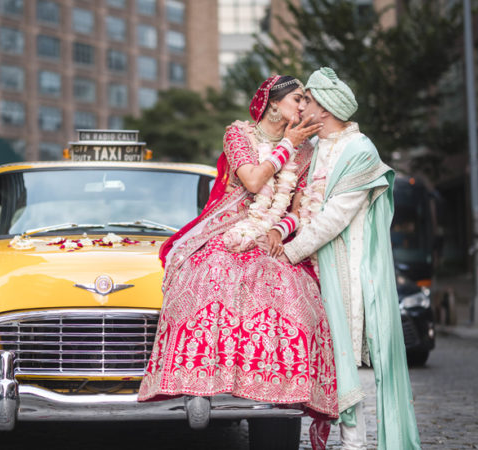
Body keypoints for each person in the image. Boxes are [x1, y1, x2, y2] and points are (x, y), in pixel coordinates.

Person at [138, 75, 336, 448]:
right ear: (273, 104)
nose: (303, 107)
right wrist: (288, 146)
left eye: (306, 101)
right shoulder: (239, 135)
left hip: (271, 236)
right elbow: (252, 180)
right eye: (297, 99)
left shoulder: (308, 152)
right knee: (211, 273)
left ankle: (280, 386)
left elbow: (300, 209)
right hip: (227, 230)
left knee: (292, 289)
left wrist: (279, 231)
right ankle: (208, 378)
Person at [278, 67, 421, 449]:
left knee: (343, 358)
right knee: (321, 360)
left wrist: (288, 251)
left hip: (344, 268)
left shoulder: (360, 151)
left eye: (306, 100)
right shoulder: (312, 147)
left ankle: (354, 442)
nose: (301, 105)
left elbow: (333, 218)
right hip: (309, 268)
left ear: (323, 108)